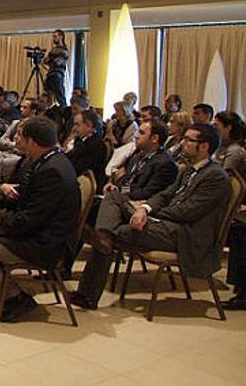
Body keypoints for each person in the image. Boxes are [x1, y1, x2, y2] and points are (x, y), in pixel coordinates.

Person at [72, 123, 232, 310]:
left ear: (204, 146)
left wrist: (149, 211)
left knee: (116, 234)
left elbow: (188, 212)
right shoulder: (189, 169)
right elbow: (165, 195)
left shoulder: (216, 177)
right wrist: (145, 209)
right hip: (165, 223)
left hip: (185, 234)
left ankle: (88, 291)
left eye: (189, 140)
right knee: (115, 198)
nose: (182, 143)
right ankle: (103, 237)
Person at [0, 116, 80, 322]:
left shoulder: (51, 171)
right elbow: (29, 210)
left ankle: (15, 298)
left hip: (44, 243)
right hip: (38, 232)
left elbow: (31, 219)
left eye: (22, 138)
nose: (18, 141)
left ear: (33, 142)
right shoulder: (49, 161)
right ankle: (2, 295)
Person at [65, 109, 108, 186]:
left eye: (77, 124)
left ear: (89, 125)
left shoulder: (96, 145)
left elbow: (80, 168)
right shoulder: (80, 140)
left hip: (85, 184)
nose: (74, 128)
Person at [212, 111, 246, 179]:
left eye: (216, 125)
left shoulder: (235, 151)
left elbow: (223, 178)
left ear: (228, 128)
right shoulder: (219, 146)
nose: (213, 128)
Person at [43, 29, 69, 107]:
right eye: (53, 37)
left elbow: (58, 62)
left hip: (58, 75)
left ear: (61, 37)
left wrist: (51, 59)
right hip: (50, 74)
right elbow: (46, 60)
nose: (54, 39)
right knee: (48, 95)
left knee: (60, 96)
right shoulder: (53, 49)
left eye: (55, 36)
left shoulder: (64, 50)